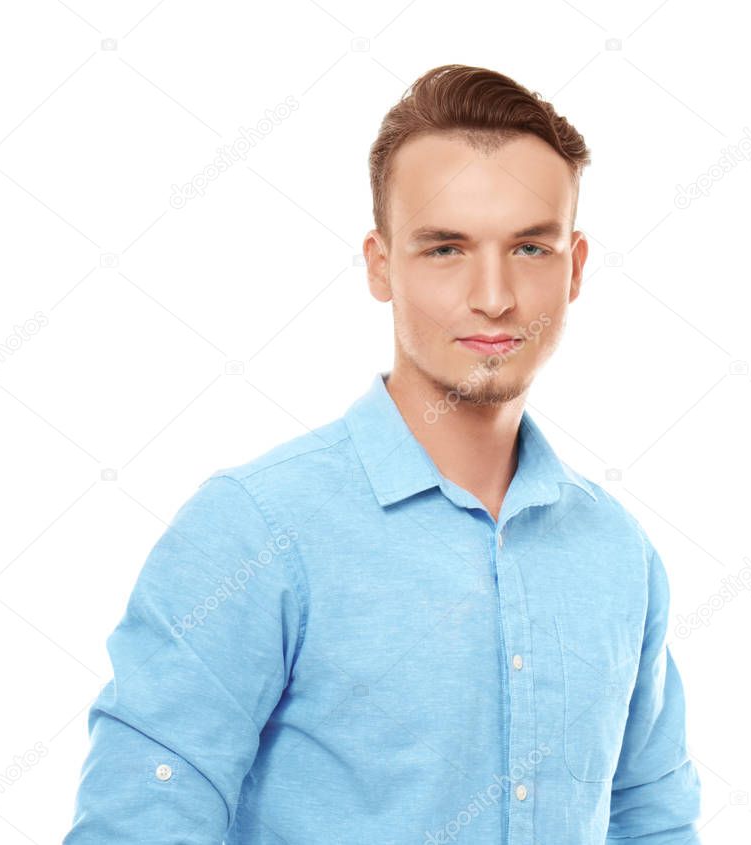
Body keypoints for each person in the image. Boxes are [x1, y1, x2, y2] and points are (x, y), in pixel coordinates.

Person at [64, 63, 702, 843]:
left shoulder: (617, 554)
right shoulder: (254, 530)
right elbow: (140, 824)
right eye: (445, 248)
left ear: (573, 270)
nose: (494, 295)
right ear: (379, 263)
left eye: (529, 248)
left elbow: (651, 818)